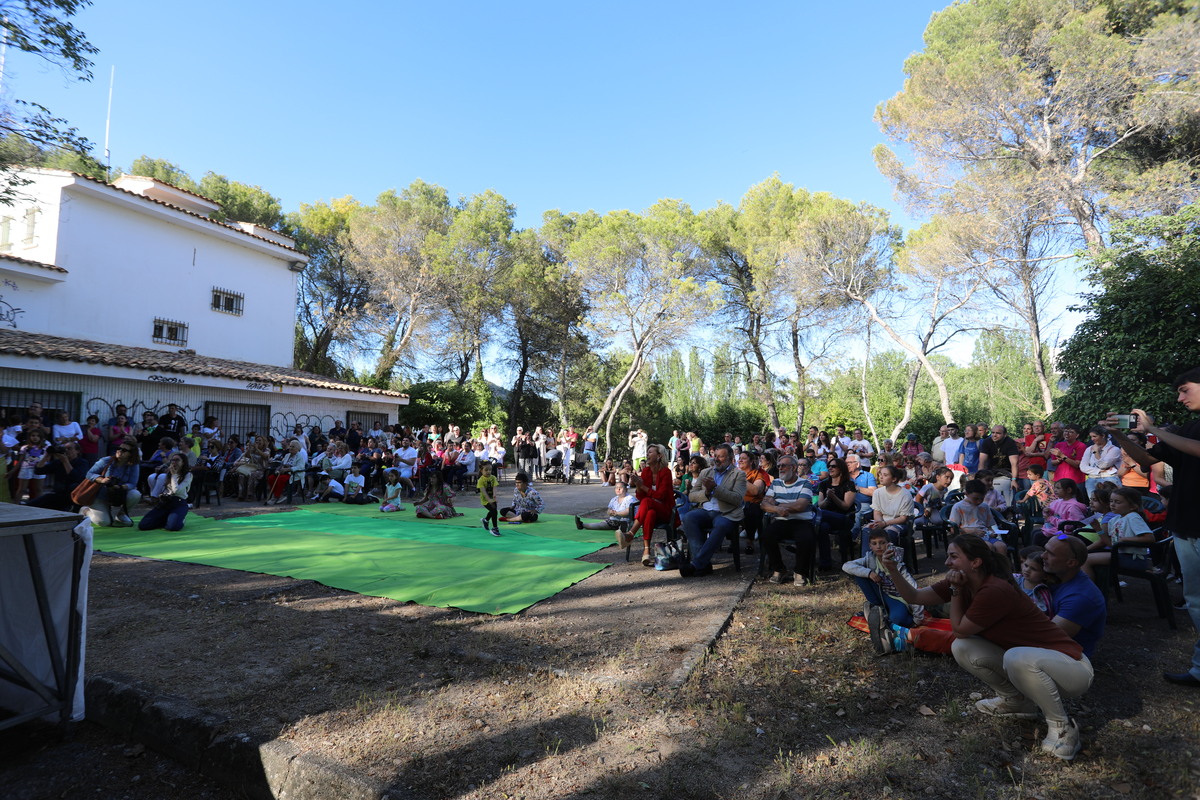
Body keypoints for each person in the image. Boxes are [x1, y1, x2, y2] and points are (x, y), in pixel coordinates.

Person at [882, 534, 1094, 760]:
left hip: (1073, 668)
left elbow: (960, 628)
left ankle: (1062, 728)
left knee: (1013, 655)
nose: (947, 563)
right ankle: (1017, 701)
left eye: (953, 557)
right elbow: (914, 596)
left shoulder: (994, 589)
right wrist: (893, 569)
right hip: (1029, 662)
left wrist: (955, 592)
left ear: (975, 562)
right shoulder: (964, 581)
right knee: (963, 647)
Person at [1101, 373, 1200, 686]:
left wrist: (1154, 429)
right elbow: (1146, 460)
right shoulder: (1187, 428)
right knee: (1195, 600)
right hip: (1184, 525)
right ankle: (1199, 669)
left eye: (1184, 391)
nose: (1180, 399)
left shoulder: (1185, 433)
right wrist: (1120, 436)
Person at [679, 443, 747, 578]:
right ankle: (704, 564)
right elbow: (692, 496)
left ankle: (697, 564)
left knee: (721, 525)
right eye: (715, 456)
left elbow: (737, 499)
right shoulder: (705, 472)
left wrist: (716, 489)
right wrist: (707, 492)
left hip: (727, 513)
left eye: (721, 457)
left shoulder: (738, 474)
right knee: (689, 518)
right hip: (705, 511)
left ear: (730, 458)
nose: (716, 459)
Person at [844, 528, 925, 634]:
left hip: (898, 599)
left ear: (889, 544)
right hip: (881, 595)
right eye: (874, 543)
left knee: (897, 619)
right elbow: (846, 566)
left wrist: (917, 618)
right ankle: (877, 609)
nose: (878, 546)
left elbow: (913, 589)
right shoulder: (870, 559)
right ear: (870, 546)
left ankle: (889, 617)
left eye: (882, 543)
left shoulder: (897, 563)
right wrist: (869, 573)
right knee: (859, 574)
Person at [1041, 533, 1106, 660]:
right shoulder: (1055, 577)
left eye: (1051, 554)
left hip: (1066, 658)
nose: (1043, 556)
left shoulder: (1080, 597)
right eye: (1044, 550)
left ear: (1071, 563)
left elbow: (1049, 637)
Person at [761, 455, 815, 585]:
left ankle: (800, 571)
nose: (780, 468)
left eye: (783, 465)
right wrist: (777, 510)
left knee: (806, 538)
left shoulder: (805, 483)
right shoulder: (776, 483)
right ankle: (779, 569)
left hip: (802, 521)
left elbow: (800, 506)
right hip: (782, 521)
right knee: (766, 536)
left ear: (794, 467)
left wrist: (777, 505)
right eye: (779, 466)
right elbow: (763, 504)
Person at [622, 444, 675, 565]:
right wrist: (639, 486)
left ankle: (631, 533)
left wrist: (643, 487)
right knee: (650, 513)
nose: (647, 454)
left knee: (647, 501)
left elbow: (661, 496)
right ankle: (646, 552)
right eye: (647, 452)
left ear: (659, 456)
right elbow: (640, 496)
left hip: (665, 510)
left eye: (650, 452)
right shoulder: (645, 471)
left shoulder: (666, 472)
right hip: (650, 509)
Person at [81, 442, 143, 527]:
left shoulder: (133, 465)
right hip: (99, 495)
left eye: (124, 450)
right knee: (103, 522)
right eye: (119, 448)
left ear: (131, 454)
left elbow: (133, 483)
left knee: (135, 494)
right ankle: (85, 511)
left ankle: (121, 514)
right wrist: (102, 480)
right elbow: (89, 474)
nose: (120, 451)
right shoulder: (106, 460)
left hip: (117, 494)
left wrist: (120, 487)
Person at [138, 454, 192, 532]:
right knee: (143, 525)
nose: (174, 462)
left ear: (183, 462)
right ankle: (167, 518)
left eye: (177, 460)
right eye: (173, 460)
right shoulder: (168, 474)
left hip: (179, 503)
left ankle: (179, 519)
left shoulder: (188, 475)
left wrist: (174, 475)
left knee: (172, 527)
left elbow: (176, 491)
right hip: (166, 502)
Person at [866, 465, 914, 551]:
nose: (881, 477)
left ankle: (890, 560)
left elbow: (903, 518)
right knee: (867, 530)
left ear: (894, 479)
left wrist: (885, 524)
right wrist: (879, 523)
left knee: (888, 533)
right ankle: (868, 559)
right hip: (882, 521)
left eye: (885, 475)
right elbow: (877, 512)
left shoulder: (905, 494)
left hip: (899, 523)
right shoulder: (877, 492)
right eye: (880, 474)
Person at [28, 442, 88, 510]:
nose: (66, 451)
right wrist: (46, 456)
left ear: (77, 451)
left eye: (69, 449)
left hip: (73, 496)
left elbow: (75, 477)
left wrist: (65, 461)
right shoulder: (58, 462)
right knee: (31, 504)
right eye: (64, 449)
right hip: (58, 494)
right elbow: (38, 471)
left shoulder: (82, 463)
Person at [737, 450, 771, 556]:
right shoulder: (733, 473)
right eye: (740, 458)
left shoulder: (757, 475)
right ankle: (733, 539)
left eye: (743, 458)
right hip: (735, 503)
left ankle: (750, 541)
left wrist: (742, 478)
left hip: (751, 503)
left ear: (751, 461)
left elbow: (756, 491)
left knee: (751, 510)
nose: (740, 460)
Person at [1080, 426, 1121, 497]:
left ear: (1103, 436)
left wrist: (1096, 452)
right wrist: (1099, 470)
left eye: (1094, 436)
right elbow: (1083, 467)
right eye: (1091, 437)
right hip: (1092, 479)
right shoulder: (1089, 449)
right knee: (1094, 502)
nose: (1092, 439)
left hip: (1109, 479)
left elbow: (1103, 465)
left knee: (1110, 501)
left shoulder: (1114, 449)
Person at [478, 461, 501, 536]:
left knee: (493, 511)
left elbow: (495, 487)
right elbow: (483, 491)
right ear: (481, 470)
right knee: (494, 511)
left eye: (490, 470)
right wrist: (489, 500)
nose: (488, 472)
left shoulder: (493, 478)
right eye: (486, 470)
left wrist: (494, 496)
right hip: (485, 500)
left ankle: (486, 520)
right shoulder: (480, 480)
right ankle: (495, 528)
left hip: (492, 498)